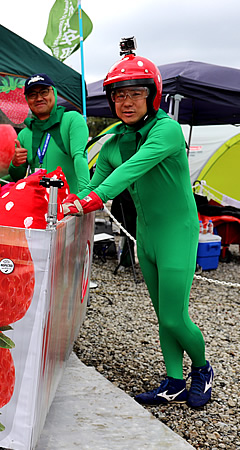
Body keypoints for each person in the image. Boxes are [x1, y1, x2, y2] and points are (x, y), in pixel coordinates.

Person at [62, 48, 213, 408]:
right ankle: (174, 380)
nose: (126, 102)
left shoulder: (168, 129)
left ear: (152, 95)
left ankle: (203, 369)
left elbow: (130, 171)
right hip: (145, 236)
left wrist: (96, 197)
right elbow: (91, 183)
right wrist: (59, 196)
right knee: (163, 315)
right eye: (119, 95)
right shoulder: (115, 142)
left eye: (135, 93)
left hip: (177, 233)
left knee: (175, 316)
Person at [9, 73, 90, 194]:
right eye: (32, 95)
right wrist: (16, 164)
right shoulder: (24, 134)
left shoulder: (72, 120)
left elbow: (79, 157)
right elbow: (17, 178)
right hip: (36, 206)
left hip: (70, 205)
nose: (39, 98)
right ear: (27, 100)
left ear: (54, 93)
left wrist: (84, 194)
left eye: (44, 92)